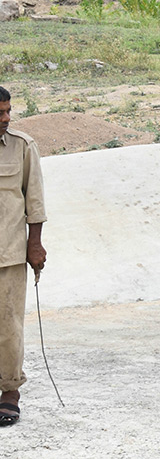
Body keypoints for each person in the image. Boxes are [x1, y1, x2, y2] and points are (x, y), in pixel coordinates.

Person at [0, 86, 46, 428]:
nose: (6, 119)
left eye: (8, 111)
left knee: (8, 327)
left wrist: (35, 245)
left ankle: (9, 393)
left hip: (9, 255)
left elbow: (35, 202)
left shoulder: (22, 146)